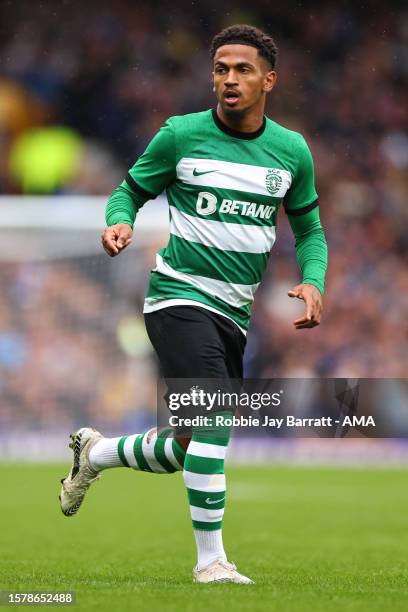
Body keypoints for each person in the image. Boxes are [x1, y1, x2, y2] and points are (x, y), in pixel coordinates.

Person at [59, 24, 328, 584]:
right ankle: (212, 563)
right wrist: (119, 221)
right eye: (221, 69)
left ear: (268, 81)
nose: (230, 79)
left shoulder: (291, 150)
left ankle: (98, 453)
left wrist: (313, 279)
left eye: (243, 70)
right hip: (176, 297)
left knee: (187, 445)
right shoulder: (180, 135)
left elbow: (309, 231)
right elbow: (128, 189)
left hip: (234, 313)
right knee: (215, 421)